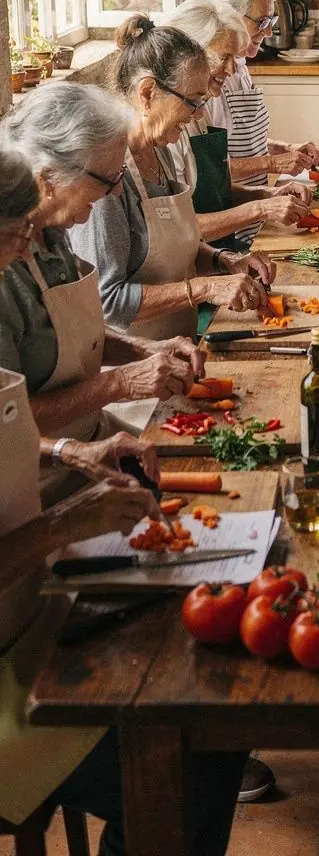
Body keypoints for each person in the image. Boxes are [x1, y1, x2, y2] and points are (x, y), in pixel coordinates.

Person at [0, 147, 247, 853]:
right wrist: (60, 523)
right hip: (8, 675)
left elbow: (9, 415)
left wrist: (67, 451)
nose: (26, 257)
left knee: (205, 684)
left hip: (28, 618)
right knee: (199, 745)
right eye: (15, 240)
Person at [0, 88, 202, 445]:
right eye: (107, 179)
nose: (114, 193)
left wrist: (141, 349)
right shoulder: (7, 268)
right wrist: (121, 381)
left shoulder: (54, 232)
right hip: (38, 474)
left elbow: (75, 337)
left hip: (93, 436)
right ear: (48, 180)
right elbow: (11, 421)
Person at [68, 18, 271, 343]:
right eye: (192, 101)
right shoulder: (106, 178)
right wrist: (205, 287)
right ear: (148, 93)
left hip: (179, 349)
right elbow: (106, 302)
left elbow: (176, 245)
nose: (200, 113)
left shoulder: (164, 151)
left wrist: (223, 260)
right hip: (133, 370)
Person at [165, 0, 313, 248]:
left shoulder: (198, 108)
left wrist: (267, 194)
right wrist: (260, 207)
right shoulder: (167, 125)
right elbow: (178, 226)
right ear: (190, 53)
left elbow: (208, 188)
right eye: (223, 58)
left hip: (212, 252)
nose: (232, 70)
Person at [208, 0, 319, 185]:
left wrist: (285, 149)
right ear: (228, 16)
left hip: (254, 205)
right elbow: (210, 169)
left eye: (270, 22)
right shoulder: (211, 78)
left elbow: (243, 142)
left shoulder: (239, 65)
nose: (269, 32)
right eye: (261, 22)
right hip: (232, 210)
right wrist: (274, 163)